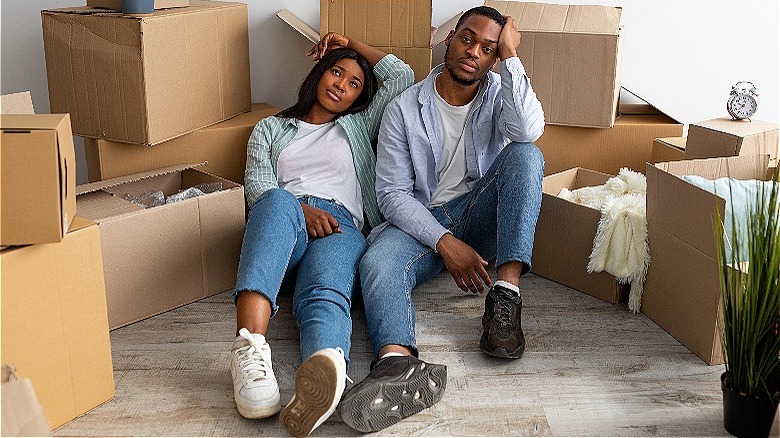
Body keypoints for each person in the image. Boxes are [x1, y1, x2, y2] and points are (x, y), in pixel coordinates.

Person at [338, 6, 545, 433]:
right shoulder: (403, 108)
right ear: (449, 38)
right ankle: (397, 364)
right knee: (376, 262)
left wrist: (511, 58)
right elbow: (392, 196)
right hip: (422, 222)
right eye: (467, 39)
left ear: (494, 58)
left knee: (526, 155)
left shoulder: (500, 92)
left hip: (480, 212)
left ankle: (505, 298)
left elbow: (526, 132)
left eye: (488, 49)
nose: (474, 52)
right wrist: (444, 242)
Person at [229, 32, 413, 438]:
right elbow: (258, 186)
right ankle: (250, 351)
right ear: (318, 73)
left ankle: (328, 375)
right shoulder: (270, 128)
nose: (341, 85)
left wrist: (350, 46)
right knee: (276, 198)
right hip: (285, 227)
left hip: (341, 225)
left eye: (354, 84)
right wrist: (301, 208)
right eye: (336, 71)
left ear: (357, 100)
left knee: (326, 289)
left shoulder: (358, 126)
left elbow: (401, 75)